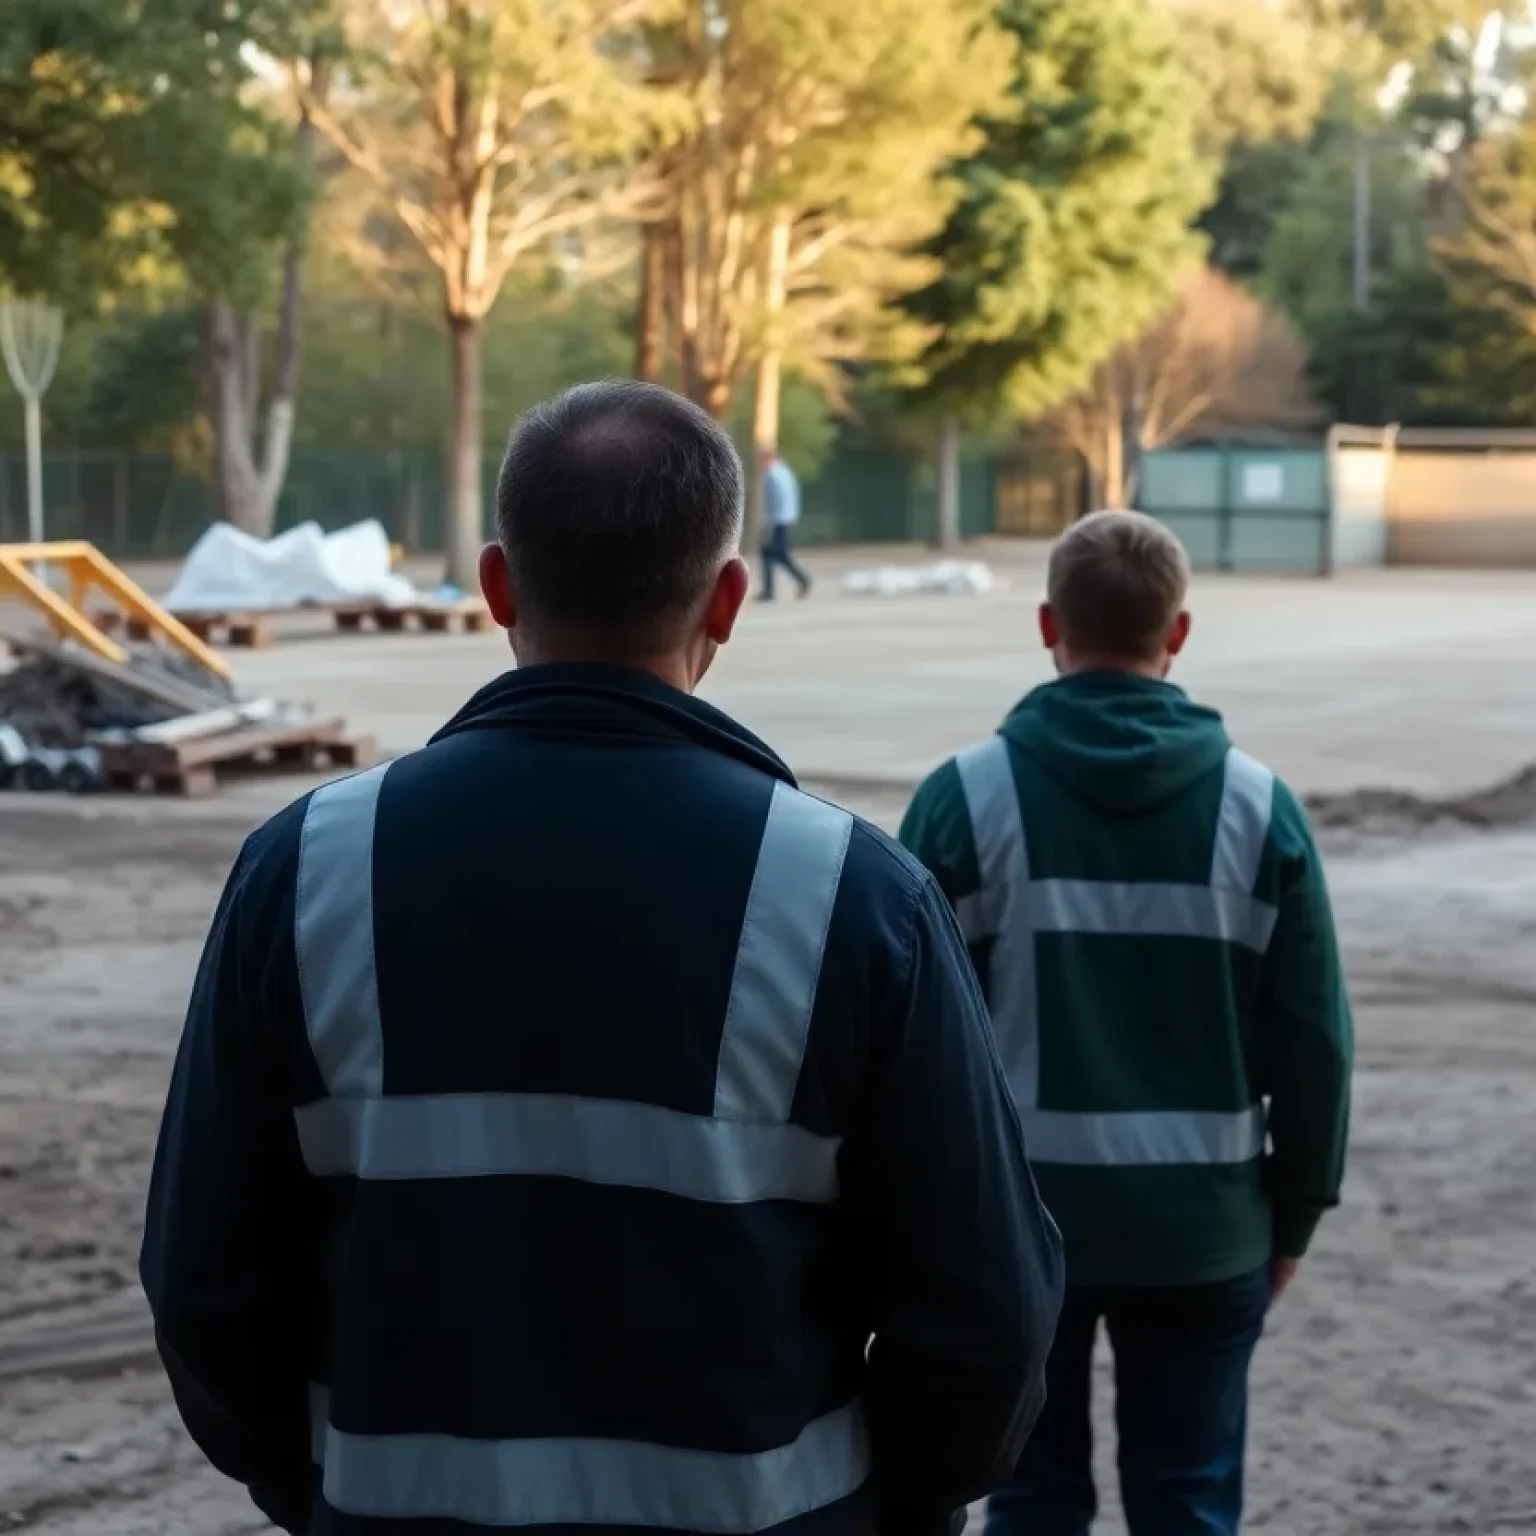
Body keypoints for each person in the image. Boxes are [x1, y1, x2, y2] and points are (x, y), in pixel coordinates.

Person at [141, 380, 1064, 1536]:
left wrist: (310, 1487)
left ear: (496, 585)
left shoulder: (304, 873)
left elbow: (204, 1281)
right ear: (729, 598)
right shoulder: (852, 898)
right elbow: (985, 1315)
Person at [899, 510, 1353, 1536]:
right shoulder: (1259, 810)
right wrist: (1295, 1214)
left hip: (1018, 1238)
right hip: (1205, 1233)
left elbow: (905, 1046)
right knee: (1187, 1503)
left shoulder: (965, 802)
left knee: (1028, 1499)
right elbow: (1316, 1043)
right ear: (1177, 634)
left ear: (1047, 623)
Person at [760, 449, 812, 600]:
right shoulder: (785, 472)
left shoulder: (772, 475)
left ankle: (802, 579)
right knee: (772, 554)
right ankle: (769, 591)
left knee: (777, 554)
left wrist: (769, 522)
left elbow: (774, 501)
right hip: (786, 518)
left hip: (777, 520)